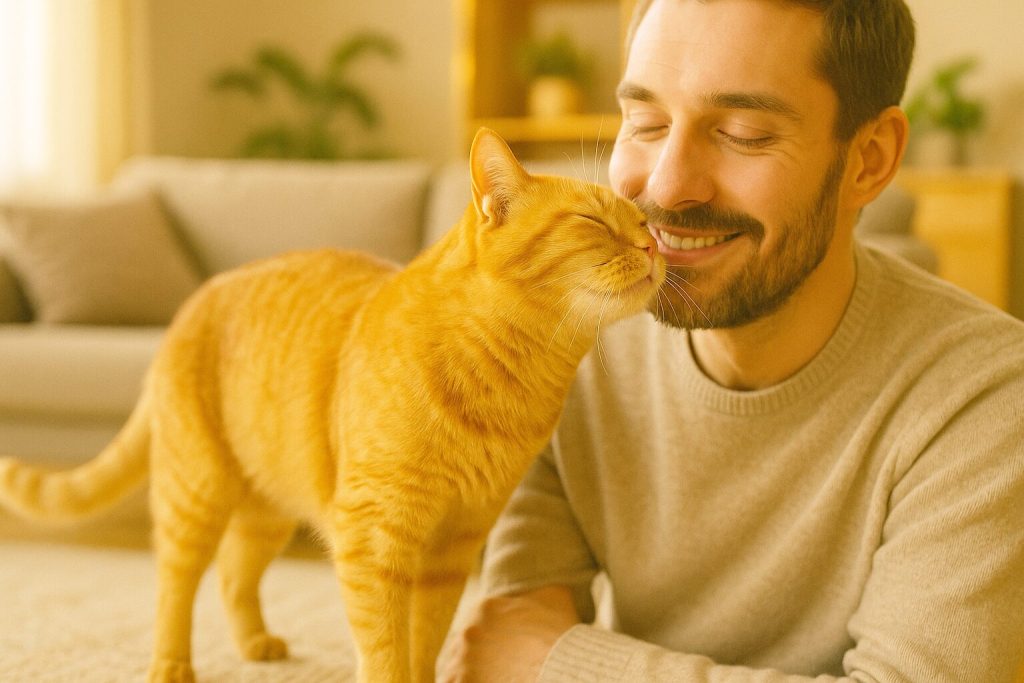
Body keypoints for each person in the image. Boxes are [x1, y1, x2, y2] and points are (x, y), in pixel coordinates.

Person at [442, 0, 1024, 681]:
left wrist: (572, 661)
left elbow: (539, 657)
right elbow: (506, 651)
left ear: (869, 160)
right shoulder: (561, 345)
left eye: (745, 133)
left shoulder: (986, 399)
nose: (664, 186)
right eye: (645, 123)